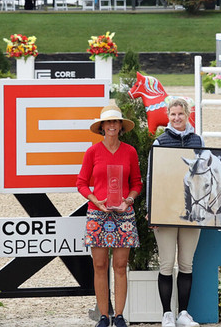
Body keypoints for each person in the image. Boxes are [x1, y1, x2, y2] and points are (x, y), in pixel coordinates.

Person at [149, 98, 221, 327]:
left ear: (187, 114)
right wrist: (153, 211)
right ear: (168, 115)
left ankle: (183, 314)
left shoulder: (199, 141)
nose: (176, 118)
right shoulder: (159, 142)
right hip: (166, 212)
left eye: (180, 114)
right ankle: (167, 314)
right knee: (167, 264)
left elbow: (207, 172)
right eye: (173, 114)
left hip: (194, 213)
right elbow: (153, 178)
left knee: (187, 264)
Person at [76, 105, 142, 327]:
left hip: (124, 214)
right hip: (98, 214)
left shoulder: (130, 151)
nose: (112, 125)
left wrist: (129, 200)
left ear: (121, 125)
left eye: (116, 121)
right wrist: (95, 200)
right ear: (102, 127)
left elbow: (136, 183)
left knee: (121, 265)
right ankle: (104, 316)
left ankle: (120, 316)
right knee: (100, 265)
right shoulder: (92, 152)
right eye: (108, 122)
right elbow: (81, 183)